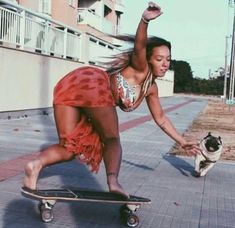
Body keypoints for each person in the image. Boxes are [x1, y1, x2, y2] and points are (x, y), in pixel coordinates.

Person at [23, 2, 200, 198]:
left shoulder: (151, 88)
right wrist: (144, 21)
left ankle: (35, 165)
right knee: (112, 139)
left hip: (74, 83)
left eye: (168, 59)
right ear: (148, 59)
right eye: (159, 59)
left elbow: (161, 119)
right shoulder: (141, 68)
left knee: (68, 148)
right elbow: (140, 45)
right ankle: (113, 182)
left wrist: (182, 142)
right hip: (93, 85)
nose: (165, 64)